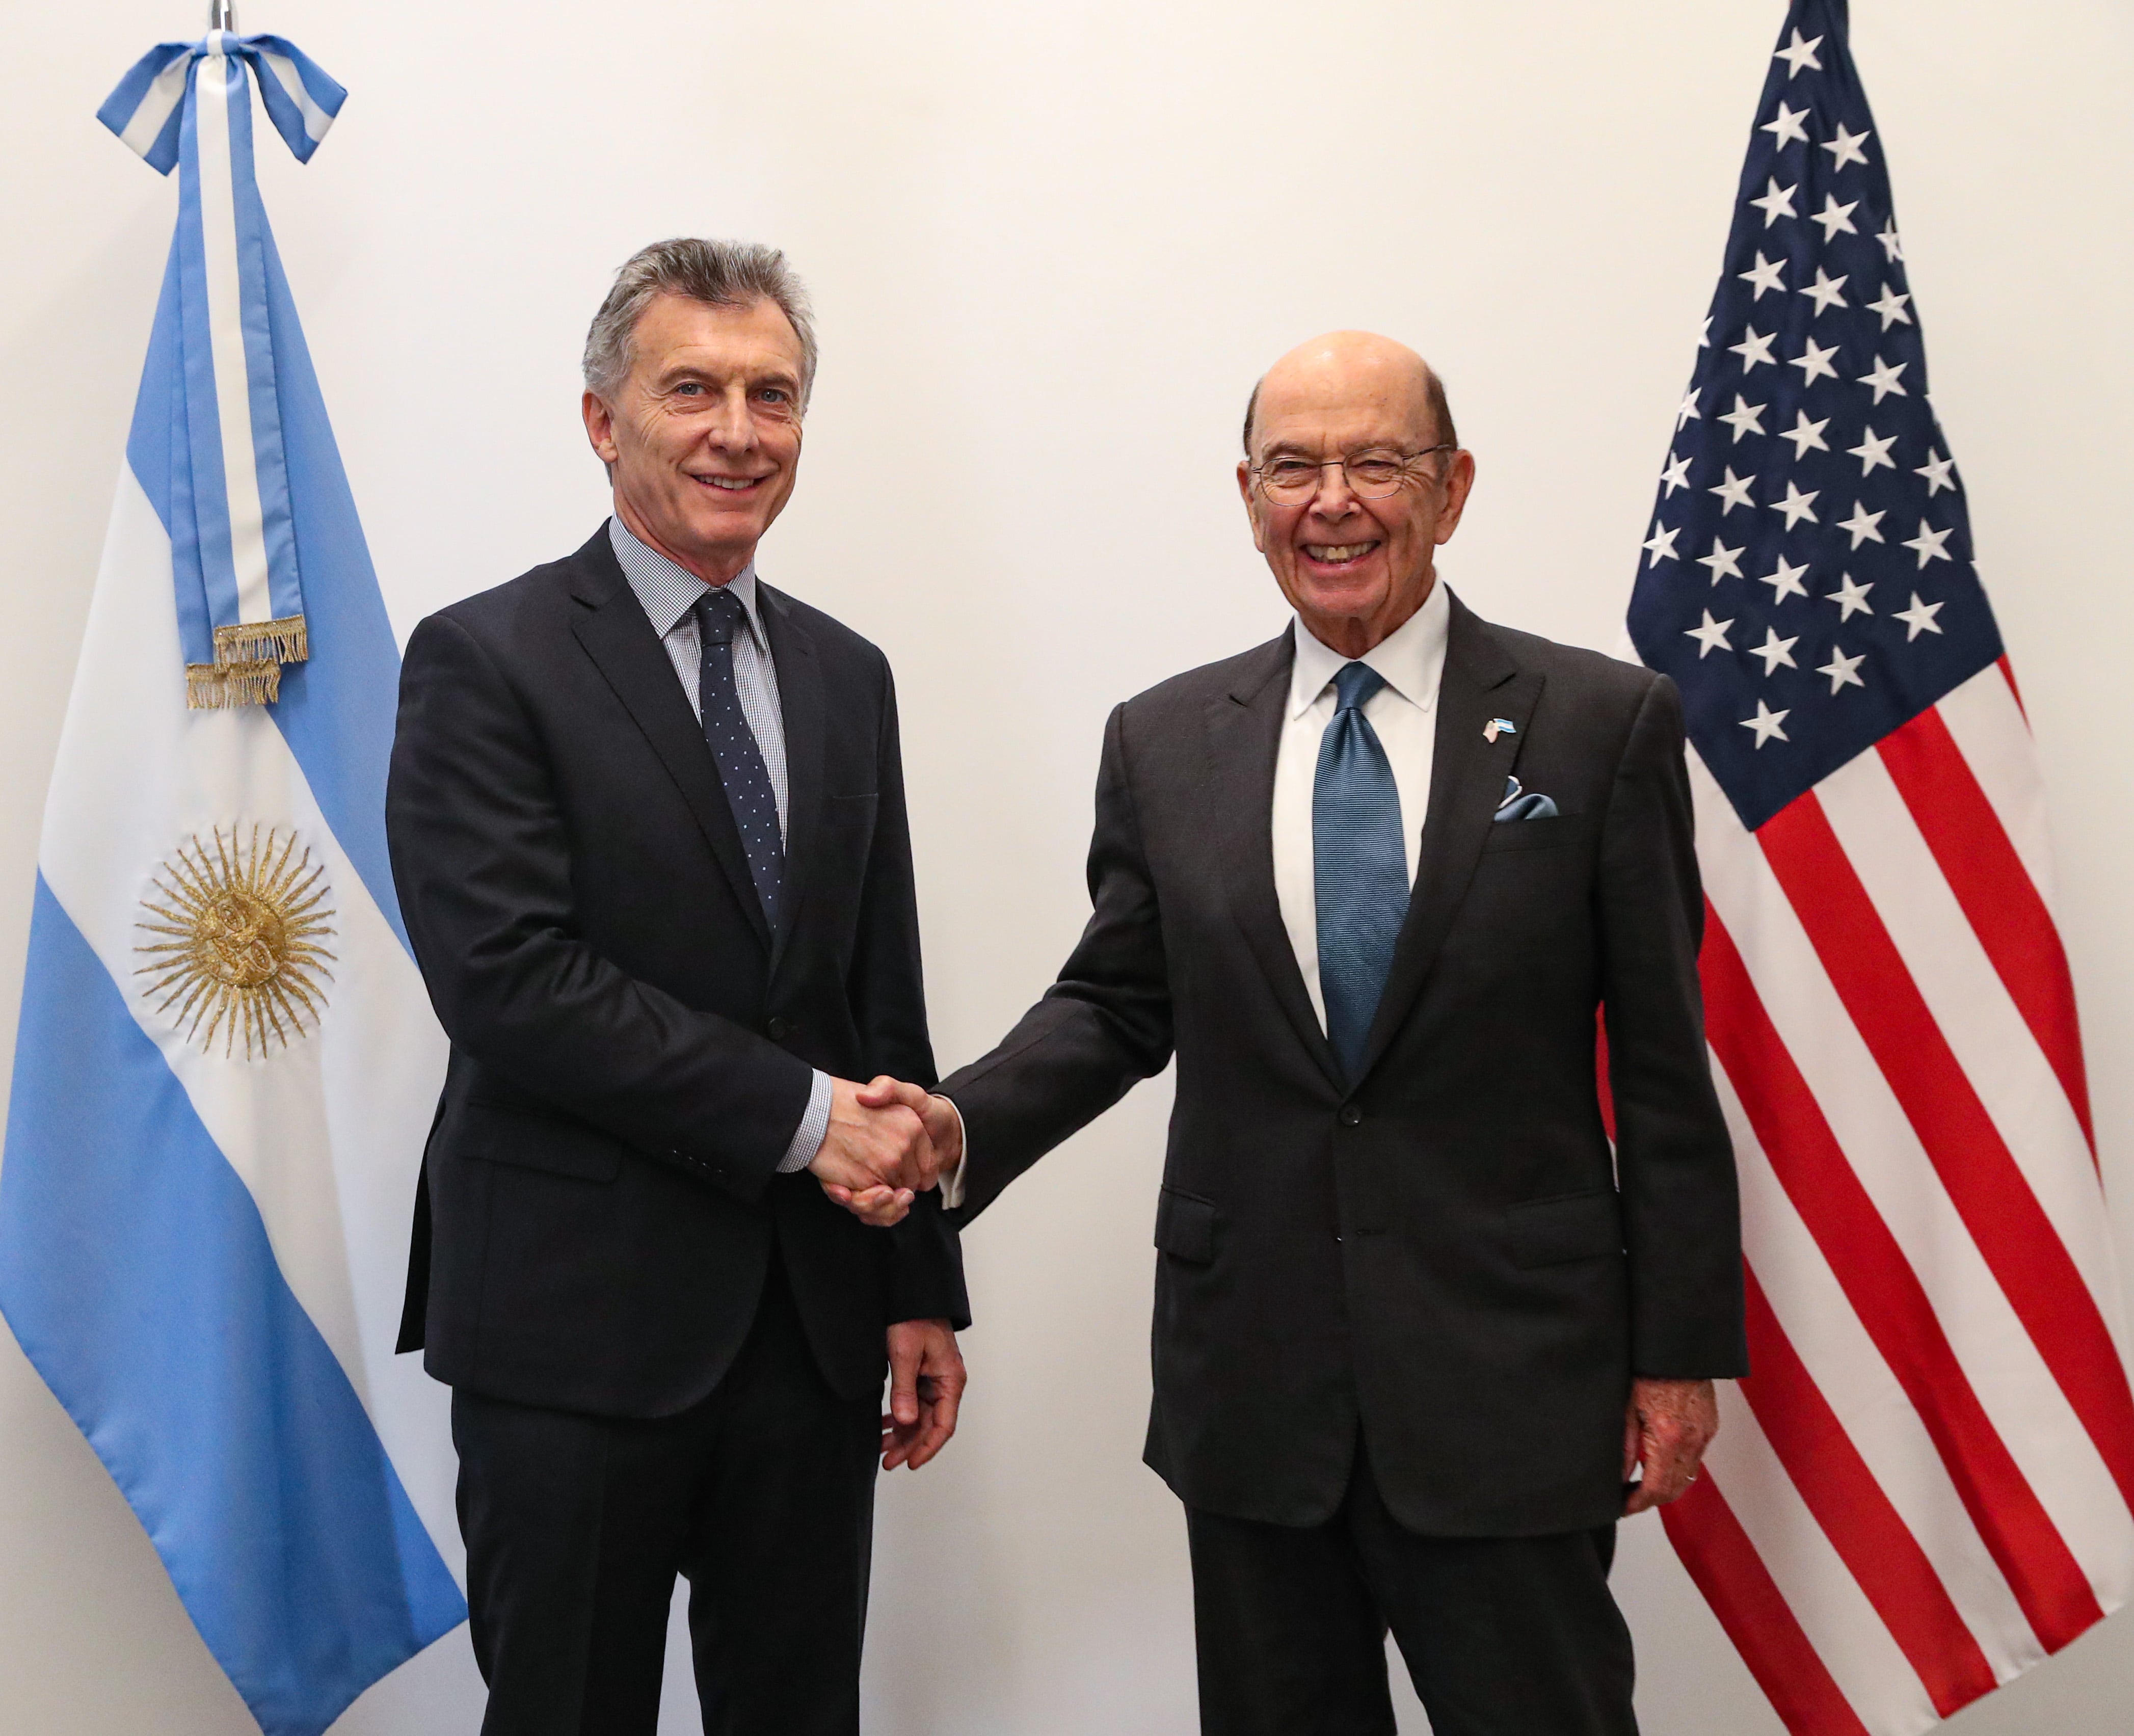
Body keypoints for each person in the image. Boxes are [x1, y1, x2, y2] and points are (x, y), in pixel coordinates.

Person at [869, 331, 1747, 1734]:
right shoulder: (1165, 741)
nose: (1328, 500)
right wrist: (956, 1126)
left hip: (1511, 1384)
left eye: (1374, 463)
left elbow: (1660, 1065)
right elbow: (1115, 1002)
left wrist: (1675, 1352)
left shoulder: (1596, 726)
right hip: (1255, 1392)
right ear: (1247, 495)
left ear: (1450, 490)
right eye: (1292, 467)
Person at [386, 238, 967, 1736]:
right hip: (573, 1334)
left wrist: (916, 1286)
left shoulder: (849, 674)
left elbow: (870, 996)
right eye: (691, 388)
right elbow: (508, 982)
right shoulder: (484, 659)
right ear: (603, 421)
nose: (737, 431)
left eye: (772, 395)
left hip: (811, 1326)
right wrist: (801, 1118)